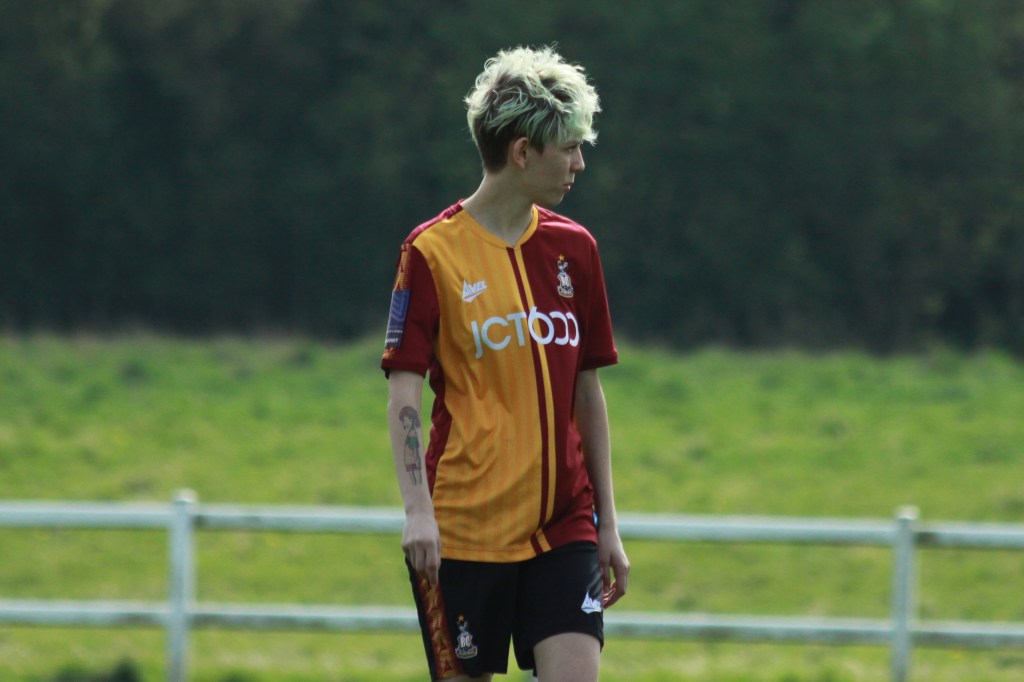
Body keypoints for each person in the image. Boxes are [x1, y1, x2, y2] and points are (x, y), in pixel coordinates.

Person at [382, 45, 629, 682]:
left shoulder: (576, 249)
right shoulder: (430, 253)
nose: (579, 162)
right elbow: (404, 395)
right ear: (523, 153)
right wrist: (417, 511)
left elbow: (587, 392)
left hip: (563, 528)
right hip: (465, 532)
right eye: (569, 147)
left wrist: (607, 523)